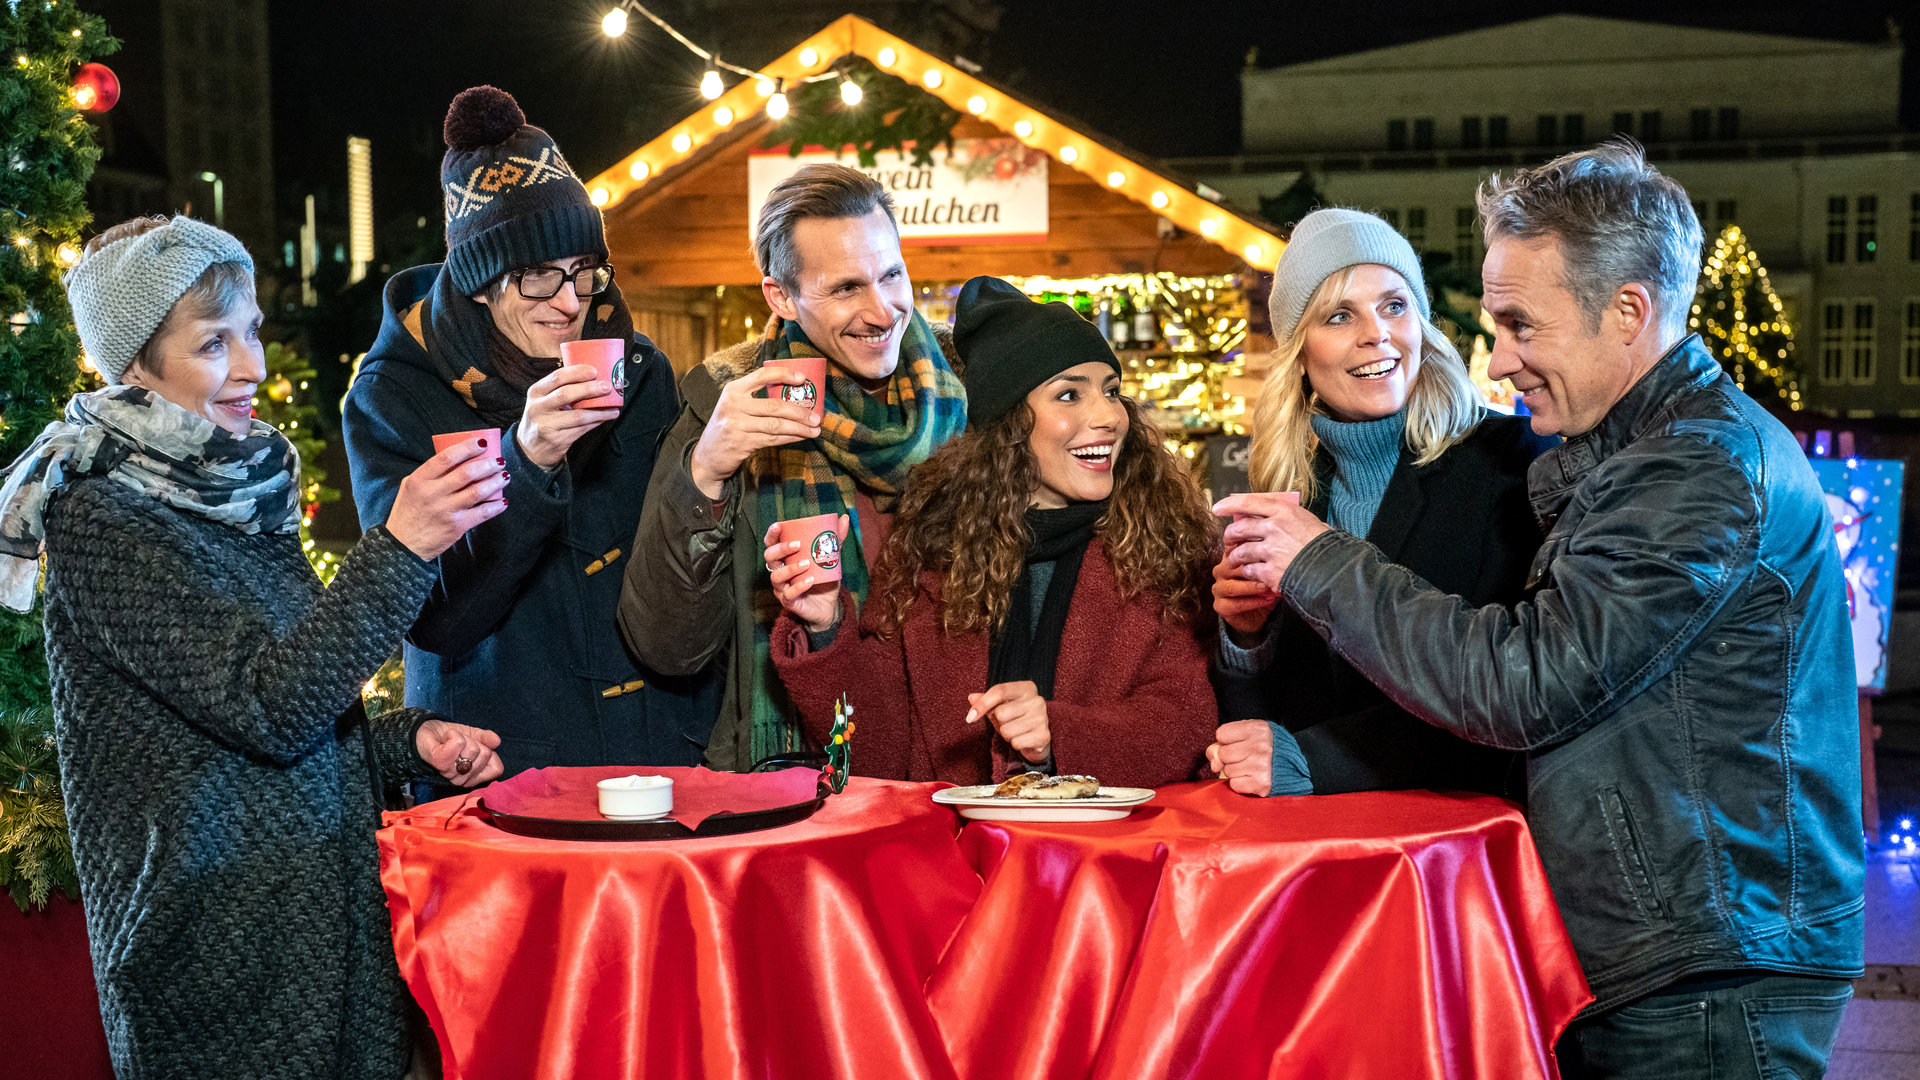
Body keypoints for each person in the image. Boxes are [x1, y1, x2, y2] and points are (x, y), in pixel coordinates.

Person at [1217, 141, 1862, 1079]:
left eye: (1523, 324)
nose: (1501, 356)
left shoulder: (1695, 471)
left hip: (1707, 967)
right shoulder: (1637, 456)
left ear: (1629, 310)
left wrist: (1321, 562)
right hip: (1669, 948)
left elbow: (1522, 682)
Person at [0, 215, 505, 1079]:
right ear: (130, 366)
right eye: (212, 345)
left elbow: (293, 700)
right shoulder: (102, 516)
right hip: (216, 969)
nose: (253, 368)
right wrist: (404, 543)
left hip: (329, 937)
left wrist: (403, 740)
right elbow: (265, 707)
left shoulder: (241, 488)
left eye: (253, 334)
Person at [343, 86, 717, 774]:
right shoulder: (395, 395)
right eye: (541, 278)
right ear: (483, 282)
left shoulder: (639, 371)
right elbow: (438, 621)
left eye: (584, 273)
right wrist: (529, 457)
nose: (572, 302)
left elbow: (677, 566)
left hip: (663, 754)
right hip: (510, 771)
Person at [763, 276, 1218, 786]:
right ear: (1006, 428)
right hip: (954, 857)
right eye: (1069, 395)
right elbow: (881, 756)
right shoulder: (929, 556)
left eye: (1111, 392)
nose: (1109, 415)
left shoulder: (1164, 547)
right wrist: (825, 625)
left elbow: (1188, 722)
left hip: (1108, 856)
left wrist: (1059, 735)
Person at [618, 164, 968, 770]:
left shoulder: (966, 389)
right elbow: (666, 645)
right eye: (845, 288)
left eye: (891, 275)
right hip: (792, 780)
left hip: (958, 763)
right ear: (781, 296)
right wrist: (704, 473)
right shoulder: (725, 404)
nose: (882, 310)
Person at [1208, 209, 1556, 798]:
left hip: (1457, 854)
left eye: (1394, 305)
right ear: (1299, 352)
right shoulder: (1295, 492)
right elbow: (1256, 737)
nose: (1377, 332)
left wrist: (1314, 761)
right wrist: (1248, 640)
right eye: (1340, 315)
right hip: (1318, 856)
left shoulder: (1511, 465)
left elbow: (1506, 696)